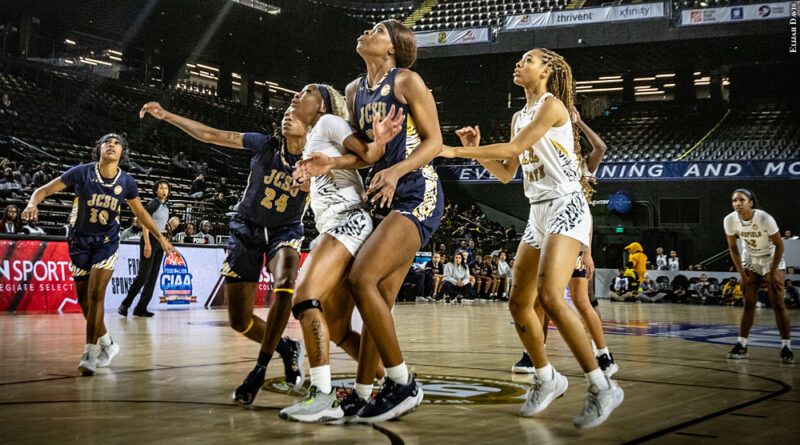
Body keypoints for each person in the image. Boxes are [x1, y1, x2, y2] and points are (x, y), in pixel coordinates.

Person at [442, 48, 622, 428]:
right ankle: (545, 378)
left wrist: (456, 149)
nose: (519, 64)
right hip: (538, 210)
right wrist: (477, 153)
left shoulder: (552, 106)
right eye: (520, 60)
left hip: (566, 204)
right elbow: (508, 170)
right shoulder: (518, 116)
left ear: (547, 70)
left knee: (551, 298)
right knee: (518, 302)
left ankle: (601, 385)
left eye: (528, 60)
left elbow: (512, 149)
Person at [300, 19, 444, 423]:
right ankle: (364, 391)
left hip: (418, 190)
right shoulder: (353, 90)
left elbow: (435, 142)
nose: (367, 31)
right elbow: (368, 155)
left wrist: (398, 171)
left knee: (362, 279)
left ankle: (401, 383)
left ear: (392, 48)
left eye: (378, 29)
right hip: (383, 197)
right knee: (375, 295)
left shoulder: (407, 81)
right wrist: (330, 162)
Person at [139, 101, 309, 405]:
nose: (287, 118)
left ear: (310, 124)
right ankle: (286, 348)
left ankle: (259, 369)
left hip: (285, 231)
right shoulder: (264, 144)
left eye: (294, 116)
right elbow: (210, 134)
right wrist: (167, 115)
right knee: (240, 321)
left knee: (285, 282)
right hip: (247, 229)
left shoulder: (317, 156)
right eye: (284, 114)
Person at [279, 83, 404, 423]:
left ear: (322, 104)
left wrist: (366, 147)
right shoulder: (312, 139)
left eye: (305, 91)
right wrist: (310, 177)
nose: (295, 95)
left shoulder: (329, 123)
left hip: (347, 221)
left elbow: (367, 155)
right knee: (335, 327)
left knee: (304, 299)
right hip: (335, 224)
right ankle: (390, 381)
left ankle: (322, 395)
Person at [22, 133, 175, 375]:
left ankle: (90, 352)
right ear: (99, 149)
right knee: (84, 302)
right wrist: (33, 202)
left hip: (107, 242)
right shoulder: (81, 172)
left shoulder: (127, 182)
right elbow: (44, 190)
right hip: (79, 242)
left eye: (117, 144)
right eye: (108, 142)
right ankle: (108, 344)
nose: (112, 145)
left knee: (95, 297)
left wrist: (161, 237)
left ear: (122, 153)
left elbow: (142, 215)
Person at [724, 188, 792, 363]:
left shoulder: (764, 218)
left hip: (771, 256)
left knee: (777, 300)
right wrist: (742, 275)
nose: (737, 203)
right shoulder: (730, 220)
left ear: (751, 203)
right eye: (734, 201)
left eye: (742, 200)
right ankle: (742, 344)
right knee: (749, 303)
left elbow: (779, 246)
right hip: (751, 258)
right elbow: (733, 248)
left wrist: (772, 272)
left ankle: (786, 346)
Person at [118, 180, 171, 318]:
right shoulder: (153, 204)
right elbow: (143, 221)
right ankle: (125, 304)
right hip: (150, 240)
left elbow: (162, 227)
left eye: (166, 188)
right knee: (144, 275)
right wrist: (147, 243)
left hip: (159, 241)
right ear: (156, 191)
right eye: (160, 188)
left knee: (153, 277)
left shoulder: (166, 207)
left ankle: (141, 308)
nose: (163, 190)